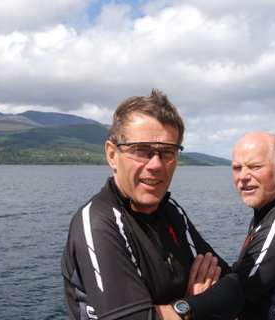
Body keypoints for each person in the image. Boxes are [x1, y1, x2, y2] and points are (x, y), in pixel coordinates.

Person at [61, 89, 230, 320]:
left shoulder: (172, 212)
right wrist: (192, 305)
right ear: (112, 155)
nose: (156, 165)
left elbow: (232, 284)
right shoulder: (97, 224)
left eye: (167, 152)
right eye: (141, 150)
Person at [157, 132, 275, 320]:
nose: (243, 176)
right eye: (237, 168)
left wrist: (180, 309)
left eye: (255, 167)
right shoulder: (274, 211)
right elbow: (241, 276)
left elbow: (238, 291)